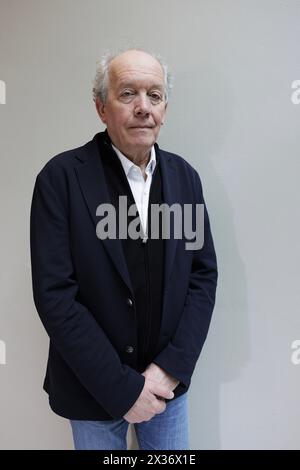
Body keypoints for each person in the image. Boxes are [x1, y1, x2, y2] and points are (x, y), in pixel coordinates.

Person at [30, 48, 218, 450]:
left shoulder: (186, 178)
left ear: (165, 109)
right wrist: (123, 390)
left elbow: (202, 276)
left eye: (155, 95)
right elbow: (55, 296)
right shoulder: (60, 179)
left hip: (167, 387)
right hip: (92, 390)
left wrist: (170, 369)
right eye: (128, 93)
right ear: (101, 107)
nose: (143, 108)